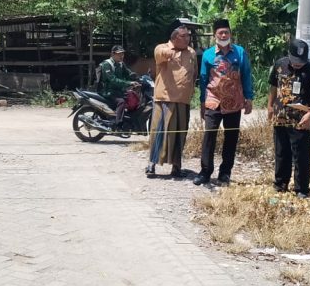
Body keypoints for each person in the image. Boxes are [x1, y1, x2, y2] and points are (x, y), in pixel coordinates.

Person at [195, 19, 253, 186]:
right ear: (215, 35)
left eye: (226, 32)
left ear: (230, 34)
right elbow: (203, 79)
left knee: (231, 138)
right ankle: (205, 172)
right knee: (209, 135)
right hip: (213, 101)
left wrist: (249, 98)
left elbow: (246, 75)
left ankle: (225, 173)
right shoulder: (208, 54)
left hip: (234, 102)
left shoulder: (240, 52)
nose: (223, 35)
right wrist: (202, 102)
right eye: (220, 33)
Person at [267, 39, 310, 197]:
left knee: (301, 156)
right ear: (289, 54)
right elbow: (273, 86)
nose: (298, 64)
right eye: (295, 60)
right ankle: (280, 184)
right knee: (281, 152)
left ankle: (301, 189)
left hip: (301, 120)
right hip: (280, 117)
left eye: (301, 61)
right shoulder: (280, 65)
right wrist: (270, 106)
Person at [146, 21, 198, 178]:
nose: (187, 38)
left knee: (179, 134)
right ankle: (151, 164)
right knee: (159, 132)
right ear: (174, 38)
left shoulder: (191, 52)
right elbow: (159, 54)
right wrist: (169, 53)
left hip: (183, 100)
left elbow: (194, 73)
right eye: (184, 36)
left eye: (188, 36)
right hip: (165, 99)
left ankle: (176, 167)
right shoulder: (162, 48)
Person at [97, 45, 137, 129]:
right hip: (108, 91)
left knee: (133, 98)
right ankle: (117, 124)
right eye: (119, 54)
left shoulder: (121, 64)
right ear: (113, 54)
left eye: (122, 54)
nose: (121, 56)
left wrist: (138, 78)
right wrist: (129, 83)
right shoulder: (107, 64)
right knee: (121, 102)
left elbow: (128, 74)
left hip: (118, 91)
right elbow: (113, 80)